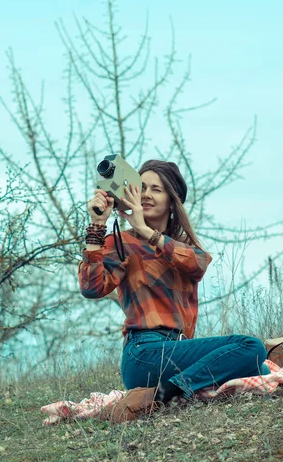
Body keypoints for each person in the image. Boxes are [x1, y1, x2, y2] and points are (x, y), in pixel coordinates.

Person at [79, 159, 270, 421]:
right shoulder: (121, 242)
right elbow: (91, 288)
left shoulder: (181, 247)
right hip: (143, 353)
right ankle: (172, 391)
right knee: (251, 346)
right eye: (141, 187)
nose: (145, 195)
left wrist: (147, 232)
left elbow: (198, 264)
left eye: (156, 189)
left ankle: (167, 390)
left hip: (179, 350)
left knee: (258, 366)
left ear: (172, 200)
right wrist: (97, 225)